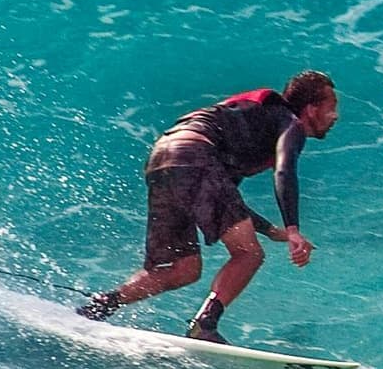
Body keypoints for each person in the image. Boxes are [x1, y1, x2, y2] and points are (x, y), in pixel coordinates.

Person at [76, 70, 337, 343]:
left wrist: (270, 230)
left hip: (164, 155)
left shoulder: (254, 125)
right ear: (311, 108)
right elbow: (284, 171)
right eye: (332, 108)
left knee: (183, 268)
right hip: (195, 155)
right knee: (249, 254)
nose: (335, 117)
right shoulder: (290, 123)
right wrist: (293, 229)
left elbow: (224, 196)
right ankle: (204, 324)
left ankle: (99, 306)